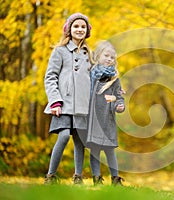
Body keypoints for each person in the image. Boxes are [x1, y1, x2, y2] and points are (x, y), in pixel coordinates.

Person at [43, 12, 92, 185]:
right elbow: (50, 77)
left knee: (80, 141)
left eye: (83, 27)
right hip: (62, 104)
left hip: (82, 105)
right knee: (63, 136)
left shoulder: (89, 53)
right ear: (69, 29)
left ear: (87, 31)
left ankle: (78, 177)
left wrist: (113, 90)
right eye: (76, 26)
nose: (79, 29)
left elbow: (95, 78)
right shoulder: (60, 51)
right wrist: (55, 100)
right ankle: (51, 176)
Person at [87, 41, 125, 186]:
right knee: (95, 150)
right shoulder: (91, 74)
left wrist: (119, 105)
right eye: (106, 55)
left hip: (107, 119)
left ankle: (115, 179)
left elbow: (119, 97)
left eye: (112, 58)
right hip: (93, 119)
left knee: (110, 151)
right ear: (98, 55)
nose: (109, 59)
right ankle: (96, 179)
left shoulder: (114, 78)